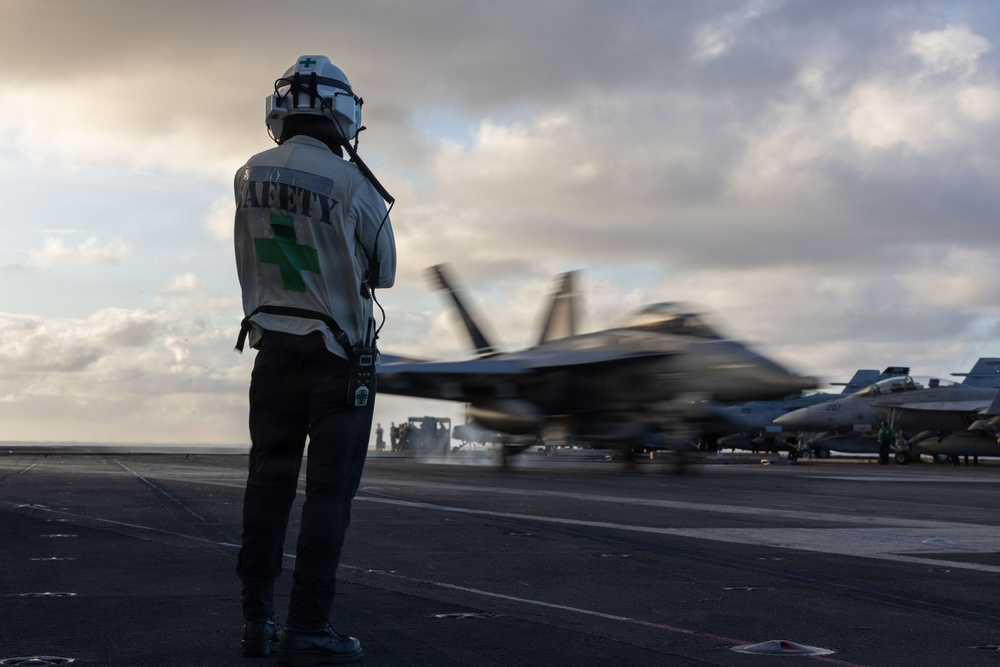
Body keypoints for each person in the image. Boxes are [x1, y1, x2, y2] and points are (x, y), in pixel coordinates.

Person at [233, 55, 396, 665]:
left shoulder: (246, 174)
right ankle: (309, 626)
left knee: (265, 485)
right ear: (342, 111)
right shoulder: (356, 186)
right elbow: (386, 271)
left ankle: (256, 621)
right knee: (328, 495)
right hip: (337, 358)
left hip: (271, 351)